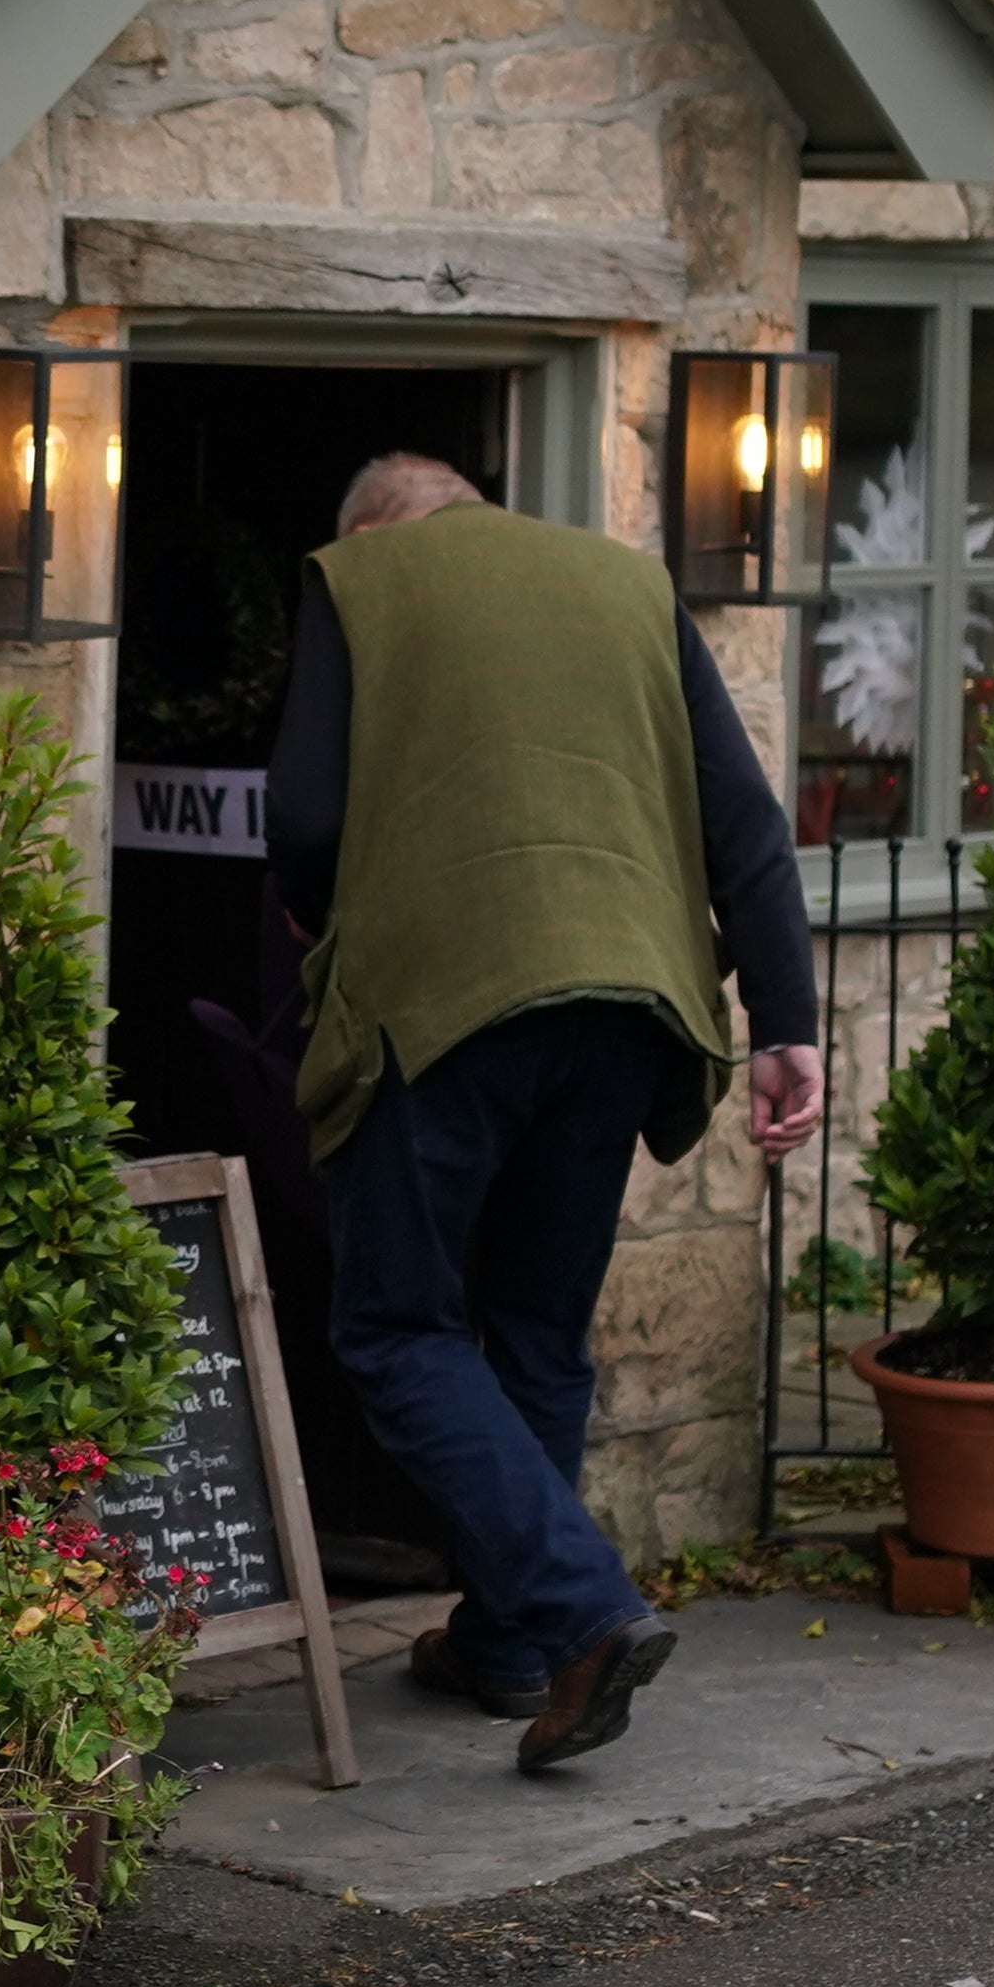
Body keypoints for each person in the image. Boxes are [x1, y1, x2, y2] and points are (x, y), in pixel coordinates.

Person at [264, 450, 824, 1771]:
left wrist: (313, 921)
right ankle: (509, 1645)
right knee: (534, 1333)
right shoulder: (630, 586)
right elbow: (744, 824)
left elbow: (304, 812)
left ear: (374, 529)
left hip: (447, 1004)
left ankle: (578, 1610)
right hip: (630, 1003)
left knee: (398, 1329)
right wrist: (788, 1024)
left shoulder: (357, 579)